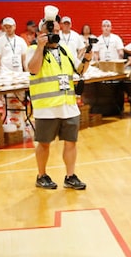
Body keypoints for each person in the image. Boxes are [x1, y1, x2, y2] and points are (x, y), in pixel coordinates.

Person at [27, 15, 92, 190]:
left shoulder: (65, 49)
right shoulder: (33, 49)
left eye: (57, 31)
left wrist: (87, 58)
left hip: (68, 105)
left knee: (71, 142)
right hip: (47, 107)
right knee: (44, 143)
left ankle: (70, 176)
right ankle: (41, 175)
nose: (56, 34)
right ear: (41, 32)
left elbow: (79, 70)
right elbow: (33, 69)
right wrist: (40, 47)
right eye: (51, 31)